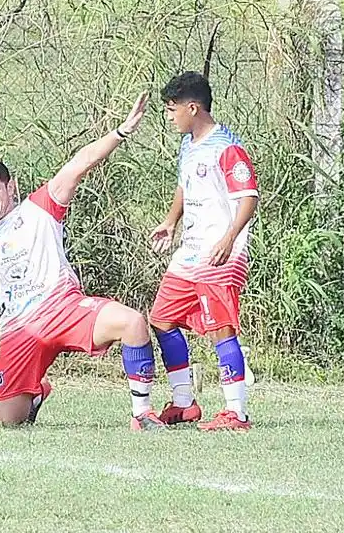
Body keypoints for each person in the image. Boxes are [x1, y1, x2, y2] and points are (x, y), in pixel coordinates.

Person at [0, 92, 168, 430]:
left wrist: (121, 131)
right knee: (9, 423)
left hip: (62, 309)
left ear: (12, 188)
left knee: (132, 322)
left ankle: (142, 414)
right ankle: (35, 393)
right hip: (19, 332)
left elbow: (80, 164)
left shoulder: (39, 208)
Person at [148, 71, 259, 431]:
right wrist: (170, 222)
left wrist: (228, 240)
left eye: (172, 109)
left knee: (221, 329)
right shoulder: (189, 144)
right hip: (191, 251)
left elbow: (248, 198)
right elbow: (185, 185)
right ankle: (184, 403)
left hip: (220, 253)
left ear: (192, 108)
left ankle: (236, 413)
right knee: (162, 318)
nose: (169, 116)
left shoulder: (227, 147)